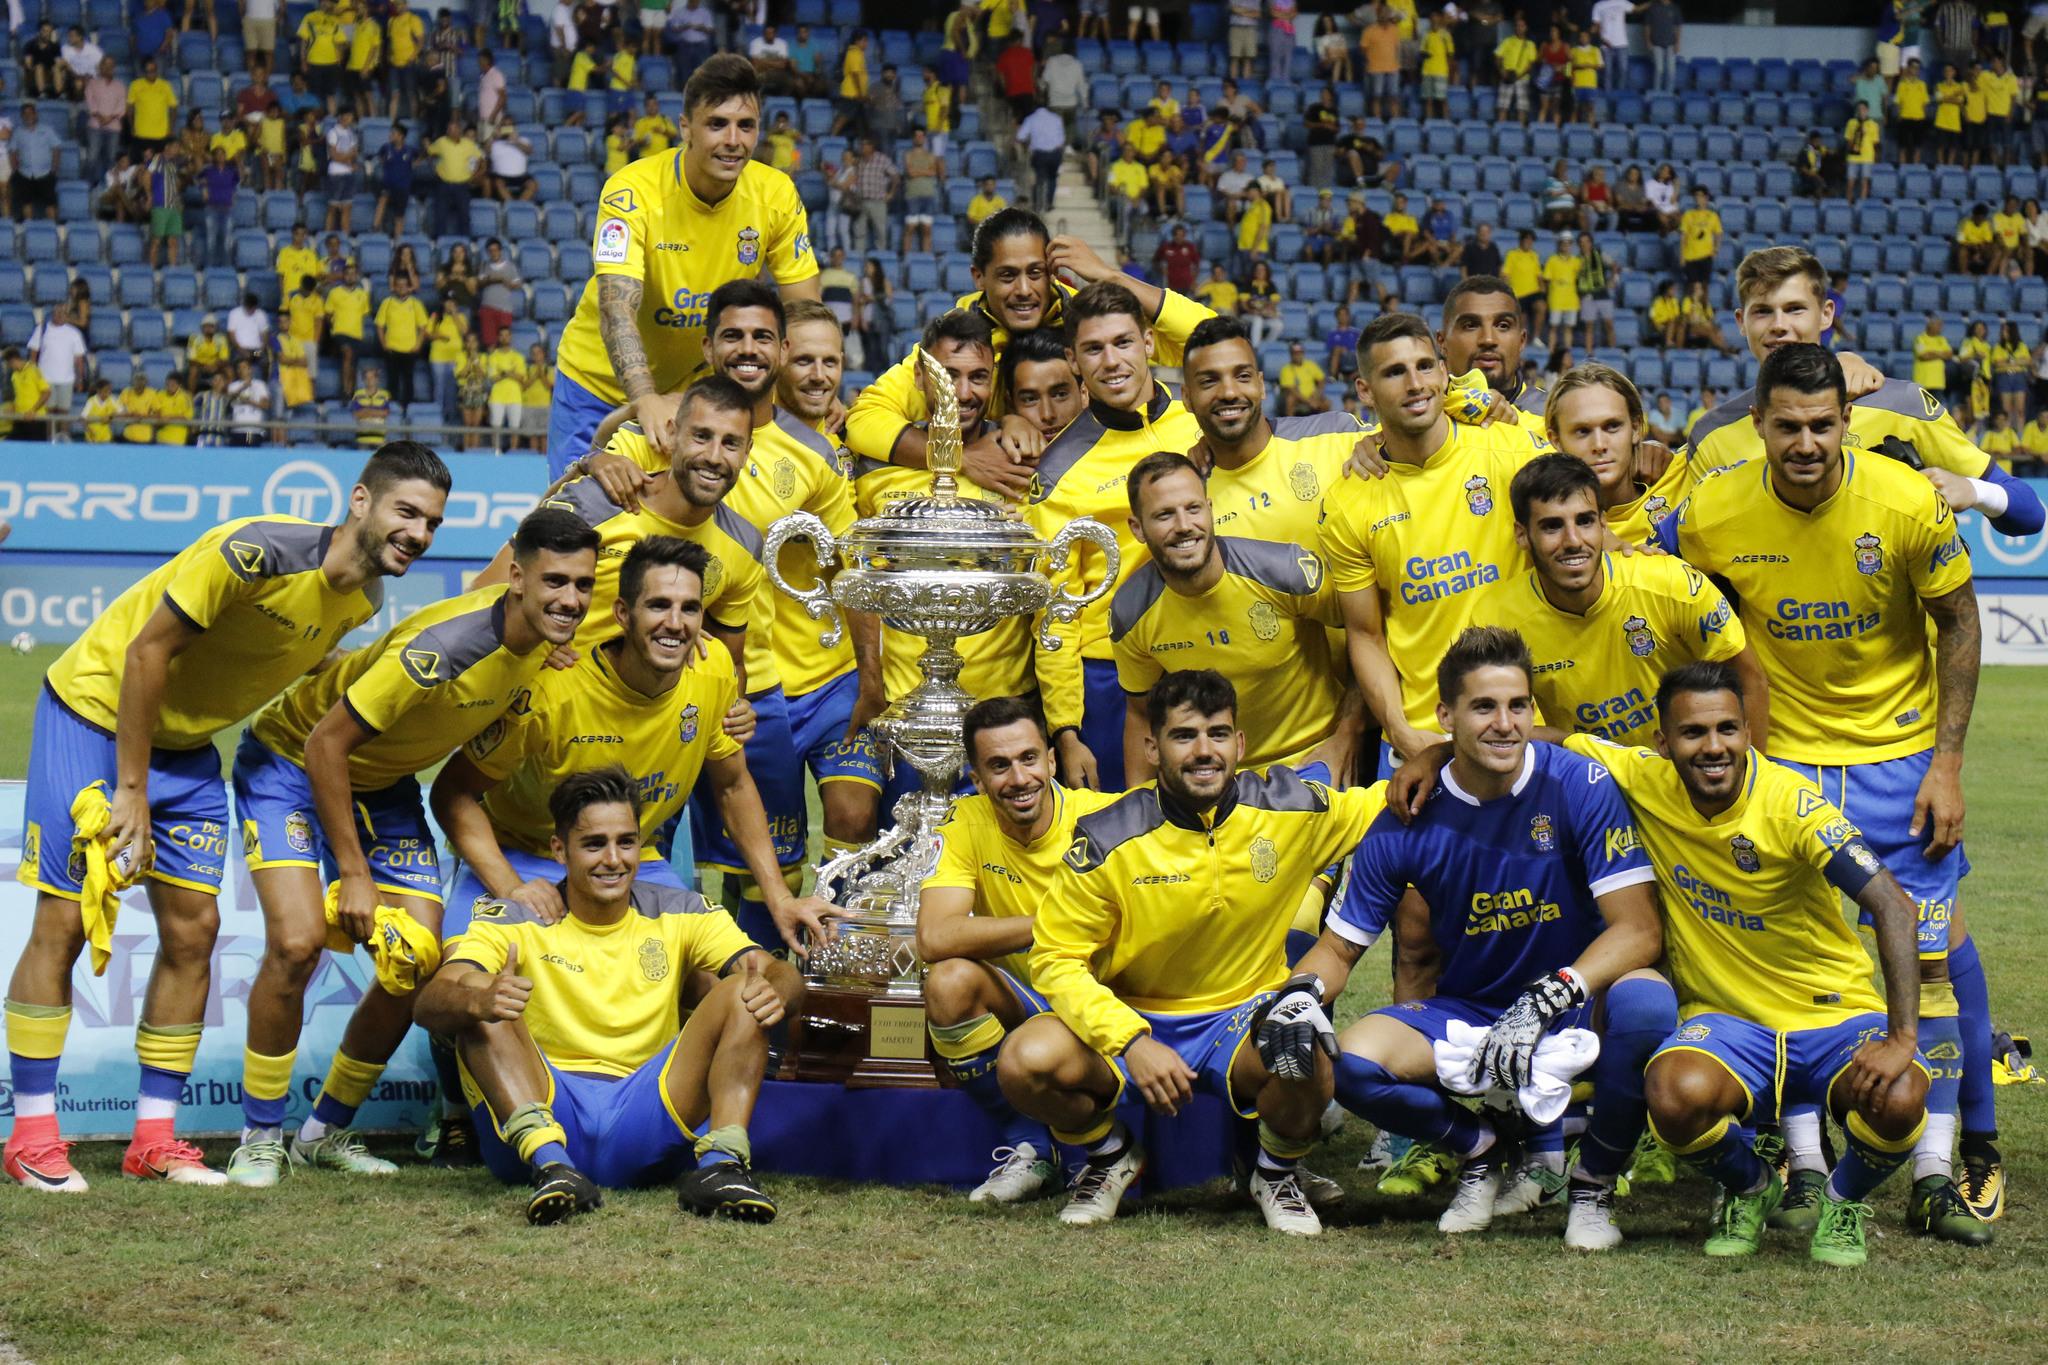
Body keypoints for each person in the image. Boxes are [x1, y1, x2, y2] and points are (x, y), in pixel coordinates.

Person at [3, 445, 451, 1193]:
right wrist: (132, 789)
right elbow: (148, 652)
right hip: (94, 717)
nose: (419, 532)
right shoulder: (256, 551)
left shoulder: (364, 600)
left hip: (187, 747)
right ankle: (31, 1135)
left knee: (194, 931)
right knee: (67, 920)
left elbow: (289, 650)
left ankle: (153, 1138)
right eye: (406, 511)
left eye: (433, 522)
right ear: (360, 500)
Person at [1656, 343, 1990, 1244]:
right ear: (1757, 424)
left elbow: (1959, 620)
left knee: (1922, 961)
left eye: (1822, 424)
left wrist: (1948, 762)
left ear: (1848, 420)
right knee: (1792, 963)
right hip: (1788, 763)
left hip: (1899, 758)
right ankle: (1802, 1170)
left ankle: (1933, 1172)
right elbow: (1650, 568)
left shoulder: (1905, 498)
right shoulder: (1712, 511)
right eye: (1787, 426)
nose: (1805, 443)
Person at [223, 510, 598, 1188]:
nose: (570, 600)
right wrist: (356, 873)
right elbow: (324, 744)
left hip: (383, 783)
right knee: (298, 942)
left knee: (414, 960)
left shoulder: (545, 639)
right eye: (555, 583)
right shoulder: (444, 648)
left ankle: (323, 1133)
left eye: (582, 586)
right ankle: (258, 1133)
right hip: (290, 759)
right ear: (517, 577)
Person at [1297, 626, 1671, 1248]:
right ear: (1445, 715)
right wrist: (1299, 994)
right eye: (1483, 707)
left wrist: (1552, 993)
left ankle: (1593, 1184)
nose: (1505, 723)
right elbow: (1339, 950)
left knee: (1647, 1001)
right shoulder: (1405, 816)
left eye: (1518, 705)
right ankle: (1481, 1149)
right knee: (1350, 1060)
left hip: (1572, 1003)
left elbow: (1639, 929)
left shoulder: (1580, 786)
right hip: (1472, 1012)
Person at [999, 669, 1387, 1234]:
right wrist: (1130, 1040)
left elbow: (1392, 802)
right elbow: (1055, 958)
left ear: (1240, 744)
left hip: (1244, 1015)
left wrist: (1429, 760)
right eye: (1184, 736)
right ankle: (1108, 1157)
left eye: (1218, 733)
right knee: (1024, 1061)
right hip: (1134, 1012)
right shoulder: (1106, 836)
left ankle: (1274, 1172)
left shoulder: (1293, 806)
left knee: (1308, 1051)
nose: (1205, 751)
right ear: (1153, 748)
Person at [1569, 663, 1931, 1266]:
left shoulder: (1791, 803)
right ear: (1662, 742)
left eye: (1728, 728)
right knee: (1672, 1093)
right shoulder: (1641, 776)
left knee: (1899, 1094)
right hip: (1728, 1023)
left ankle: (1842, 1201)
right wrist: (1432, 756)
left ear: (1746, 731)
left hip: (1832, 1015)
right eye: (1693, 733)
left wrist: (1902, 1037)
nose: (1714, 747)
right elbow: (1546, 738)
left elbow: (1893, 906)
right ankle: (1753, 1189)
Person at [417, 767, 803, 1224]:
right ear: (560, 850)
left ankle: (723, 1167)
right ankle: (551, 1168)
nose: (614, 859)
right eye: (594, 844)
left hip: (646, 1113)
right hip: (543, 1111)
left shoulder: (679, 910)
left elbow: (782, 974)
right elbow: (430, 1001)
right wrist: (476, 1003)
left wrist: (775, 991)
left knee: (747, 986)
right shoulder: (513, 917)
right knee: (476, 992)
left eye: (626, 842)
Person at [552, 55, 821, 479]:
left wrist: (814, 386)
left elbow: (804, 313)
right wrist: (644, 398)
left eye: (745, 125)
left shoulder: (776, 194)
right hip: (595, 387)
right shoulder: (631, 191)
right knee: (573, 532)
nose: (733, 140)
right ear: (685, 128)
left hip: (691, 392)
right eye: (717, 124)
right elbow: (616, 307)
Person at [1318, 313, 1554, 775]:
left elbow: (1581, 521)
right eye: (1394, 372)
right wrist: (1399, 728)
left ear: (1446, 374)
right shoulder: (1348, 502)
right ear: (1364, 390)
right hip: (1422, 738)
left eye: (1425, 366)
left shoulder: (1512, 450)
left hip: (1528, 725)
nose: (1415, 384)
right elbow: (1366, 635)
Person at [1689, 246, 2045, 541]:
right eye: (1763, 312)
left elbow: (2029, 514)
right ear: (1741, 322)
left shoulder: (1899, 405)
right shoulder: (1712, 436)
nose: (1779, 325)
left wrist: (1974, 491)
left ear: (1826, 314)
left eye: (1795, 309)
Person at [915, 698, 1120, 1202]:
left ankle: (1107, 1148)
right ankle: (1028, 1145)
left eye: (1029, 759)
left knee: (1033, 1051)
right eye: (999, 766)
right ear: (977, 778)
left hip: (1102, 1003)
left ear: (1053, 761)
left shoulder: (1106, 819)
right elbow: (935, 938)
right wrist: (1052, 923)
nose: (1019, 778)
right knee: (947, 982)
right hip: (1026, 1000)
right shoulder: (965, 821)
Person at [1026, 282, 1209, 792]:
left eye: (1123, 343)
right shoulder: (1061, 471)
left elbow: (1218, 337)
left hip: (1215, 654)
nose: (1111, 361)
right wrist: (1066, 730)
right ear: (1073, 360)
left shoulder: (1201, 423)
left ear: (1149, 343)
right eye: (1093, 348)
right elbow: (1054, 612)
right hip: (1109, 682)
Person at [1478, 449, 1766, 751]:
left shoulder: (1668, 582)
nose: (1574, 541)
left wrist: (1752, 787)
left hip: (1688, 774)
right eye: (1552, 526)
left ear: (1604, 524)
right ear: (1522, 535)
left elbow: (1750, 679)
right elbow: (1487, 723)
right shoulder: (1497, 620)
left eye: (1585, 521)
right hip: (1587, 782)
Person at [1112, 452, 1354, 784]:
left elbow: (1370, 636)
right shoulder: (1131, 612)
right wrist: (1139, 813)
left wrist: (1346, 737)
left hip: (1312, 758)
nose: (1184, 526)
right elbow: (1140, 715)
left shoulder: (1283, 571)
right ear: (1137, 528)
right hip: (1211, 775)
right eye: (1164, 515)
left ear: (1211, 510)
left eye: (1193, 509)